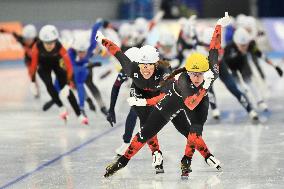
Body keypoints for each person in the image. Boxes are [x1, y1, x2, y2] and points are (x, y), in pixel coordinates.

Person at [100, 13, 231, 178]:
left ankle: (198, 158)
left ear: (207, 72)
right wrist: (143, 102)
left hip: (191, 99)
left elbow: (214, 48)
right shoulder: (183, 81)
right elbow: (187, 101)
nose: (196, 78)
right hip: (174, 99)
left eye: (200, 74)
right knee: (145, 131)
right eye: (192, 74)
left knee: (193, 133)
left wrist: (218, 25)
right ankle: (124, 161)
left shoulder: (213, 71)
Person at [30, 25, 87, 124]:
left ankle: (79, 114)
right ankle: (61, 107)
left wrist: (68, 84)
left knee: (66, 89)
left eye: (52, 42)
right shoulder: (36, 47)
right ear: (42, 41)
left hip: (57, 65)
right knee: (49, 84)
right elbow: (33, 65)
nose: (50, 45)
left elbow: (69, 66)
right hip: (43, 67)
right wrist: (33, 81)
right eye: (47, 43)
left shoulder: (60, 47)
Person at [200, 27, 259, 120]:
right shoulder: (199, 51)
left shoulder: (220, 47)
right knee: (208, 88)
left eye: (211, 45)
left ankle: (250, 109)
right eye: (206, 45)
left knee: (233, 88)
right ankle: (214, 108)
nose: (208, 48)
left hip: (219, 66)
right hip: (207, 68)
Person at [223, 27, 282, 112]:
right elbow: (223, 64)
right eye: (242, 46)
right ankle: (248, 103)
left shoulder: (251, 44)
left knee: (250, 82)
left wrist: (275, 66)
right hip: (231, 67)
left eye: (246, 45)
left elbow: (261, 55)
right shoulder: (228, 48)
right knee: (240, 87)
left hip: (243, 64)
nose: (244, 48)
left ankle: (260, 101)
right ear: (236, 43)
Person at [0, 24, 40, 98]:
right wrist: (3, 31)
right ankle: (36, 88)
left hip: (39, 59)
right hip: (29, 60)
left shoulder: (39, 42)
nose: (27, 41)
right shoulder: (22, 39)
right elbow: (12, 33)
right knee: (32, 75)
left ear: (34, 38)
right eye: (26, 38)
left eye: (29, 39)